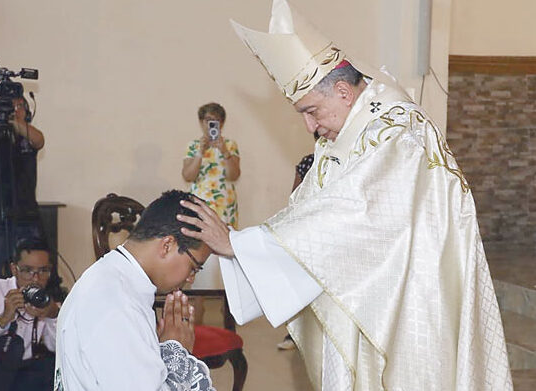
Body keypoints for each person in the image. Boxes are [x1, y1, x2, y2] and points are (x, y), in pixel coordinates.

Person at [177, 1, 513, 390]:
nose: (310, 126)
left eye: (312, 111)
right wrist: (246, 244)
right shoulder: (342, 135)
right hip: (366, 297)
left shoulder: (397, 129)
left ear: (342, 91)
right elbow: (307, 212)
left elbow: (355, 213)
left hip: (411, 301)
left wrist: (242, 245)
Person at [54, 190, 215, 391]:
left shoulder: (114, 278)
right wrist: (176, 351)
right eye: (193, 267)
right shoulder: (117, 303)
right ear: (167, 245)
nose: (191, 279)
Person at [0, 238, 60, 391]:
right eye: (27, 270)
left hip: (23, 376)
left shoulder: (47, 300)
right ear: (14, 269)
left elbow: (56, 347)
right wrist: (3, 320)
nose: (35, 279)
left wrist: (52, 315)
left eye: (43, 271)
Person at [0, 95, 46, 278]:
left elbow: (39, 140)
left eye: (19, 107)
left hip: (26, 215)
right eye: (10, 107)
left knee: (34, 268)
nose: (15, 111)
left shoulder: (27, 135)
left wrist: (15, 122)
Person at [277, 130, 319, 351]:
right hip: (309, 229)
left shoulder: (348, 159)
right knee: (302, 282)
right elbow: (295, 196)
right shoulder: (308, 163)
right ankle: (295, 334)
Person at [182, 102, 240, 229]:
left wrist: (224, 151)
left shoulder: (230, 145)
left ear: (222, 123)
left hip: (224, 204)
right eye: (208, 120)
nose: (211, 124)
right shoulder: (193, 146)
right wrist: (200, 153)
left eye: (216, 120)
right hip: (200, 202)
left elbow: (234, 175)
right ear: (201, 122)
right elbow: (188, 176)